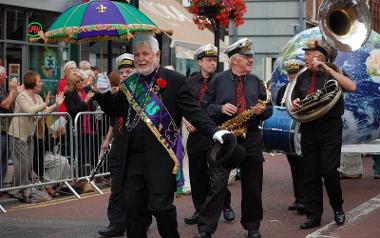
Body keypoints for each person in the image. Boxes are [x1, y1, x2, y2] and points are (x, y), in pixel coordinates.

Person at [94, 33, 229, 238]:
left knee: (160, 206)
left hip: (161, 157)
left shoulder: (174, 81)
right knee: (133, 209)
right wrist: (102, 93)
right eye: (137, 53)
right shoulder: (130, 83)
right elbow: (115, 110)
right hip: (132, 158)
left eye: (145, 53)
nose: (140, 58)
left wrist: (215, 131)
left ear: (157, 54)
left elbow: (195, 112)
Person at [199, 38, 273, 238]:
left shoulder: (257, 82)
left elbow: (269, 110)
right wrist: (220, 108)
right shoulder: (218, 80)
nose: (251, 60)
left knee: (253, 184)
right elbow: (204, 107)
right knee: (217, 184)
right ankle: (205, 229)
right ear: (234, 60)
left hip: (251, 136)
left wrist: (261, 111)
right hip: (226, 137)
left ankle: (253, 226)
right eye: (246, 57)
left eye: (251, 57)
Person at [291, 39, 356, 229]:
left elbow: (351, 87)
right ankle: (314, 215)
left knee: (328, 170)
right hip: (309, 128)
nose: (305, 58)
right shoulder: (302, 77)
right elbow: (295, 98)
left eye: (308, 55)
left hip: (330, 129)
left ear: (319, 56)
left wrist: (326, 69)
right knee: (310, 174)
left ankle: (337, 207)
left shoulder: (334, 72)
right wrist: (296, 102)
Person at [184, 44, 234, 225]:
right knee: (197, 176)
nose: (213, 64)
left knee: (218, 175)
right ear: (200, 62)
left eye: (214, 60)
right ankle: (200, 210)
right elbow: (182, 104)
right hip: (196, 135)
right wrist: (185, 119)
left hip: (216, 133)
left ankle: (226, 205)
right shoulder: (189, 82)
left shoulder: (223, 80)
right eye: (209, 60)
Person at [98, 53, 140, 238]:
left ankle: (140, 220)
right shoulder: (119, 93)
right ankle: (115, 225)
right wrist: (107, 139)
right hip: (119, 145)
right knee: (116, 187)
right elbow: (114, 120)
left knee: (135, 190)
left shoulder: (143, 93)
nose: (124, 75)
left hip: (137, 148)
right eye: (122, 72)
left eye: (128, 71)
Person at [8, 71, 64, 195]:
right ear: (32, 83)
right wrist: (45, 104)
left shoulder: (38, 97)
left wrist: (55, 104)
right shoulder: (22, 96)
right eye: (39, 81)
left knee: (27, 165)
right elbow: (31, 111)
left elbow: (42, 113)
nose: (41, 83)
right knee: (22, 164)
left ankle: (23, 188)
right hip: (18, 134)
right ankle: (15, 189)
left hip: (29, 135)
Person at [275, 58, 305, 214]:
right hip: (288, 134)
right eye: (290, 73)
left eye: (295, 73)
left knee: (304, 167)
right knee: (294, 166)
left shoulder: (305, 88)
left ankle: (306, 199)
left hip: (302, 132)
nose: (292, 75)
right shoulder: (282, 90)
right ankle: (298, 198)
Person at [0, 66, 22, 186]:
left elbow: (10, 102)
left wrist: (15, 91)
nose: (7, 77)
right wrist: (13, 89)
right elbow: (5, 105)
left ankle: (1, 186)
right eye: (5, 75)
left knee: (4, 161)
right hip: (1, 130)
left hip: (5, 129)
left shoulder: (2, 88)